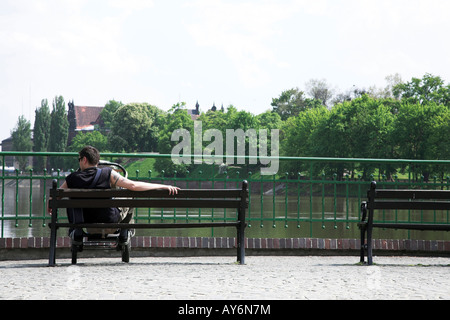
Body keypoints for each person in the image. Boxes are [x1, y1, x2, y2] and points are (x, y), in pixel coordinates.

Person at [49, 146, 180, 243]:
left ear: (84, 159)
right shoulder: (108, 173)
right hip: (110, 220)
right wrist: (163, 186)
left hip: (83, 222)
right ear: (97, 161)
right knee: (130, 195)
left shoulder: (72, 178)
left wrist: (50, 203)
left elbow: (56, 196)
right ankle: (124, 231)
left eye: (79, 159)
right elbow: (133, 186)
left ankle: (75, 232)